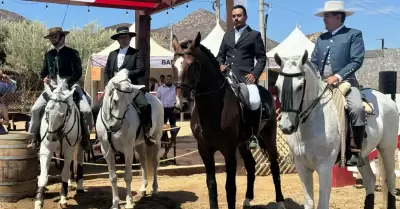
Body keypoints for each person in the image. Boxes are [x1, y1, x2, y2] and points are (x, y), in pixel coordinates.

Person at [312, 1, 365, 166]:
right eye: (324, 16)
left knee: (357, 107)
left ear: (338, 17)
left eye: (327, 16)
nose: (324, 19)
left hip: (345, 82)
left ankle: (355, 150)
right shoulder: (321, 38)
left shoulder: (353, 34)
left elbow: (356, 61)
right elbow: (314, 61)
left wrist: (337, 76)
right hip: (321, 83)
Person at [27, 27, 94, 150]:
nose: (52, 39)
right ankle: (32, 138)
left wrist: (67, 82)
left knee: (86, 110)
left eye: (55, 36)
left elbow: (78, 72)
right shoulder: (48, 54)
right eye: (51, 37)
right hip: (52, 87)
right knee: (35, 109)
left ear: (62, 37)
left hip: (71, 85)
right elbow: (43, 72)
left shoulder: (72, 53)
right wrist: (44, 78)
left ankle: (86, 137)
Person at [92, 26, 156, 145]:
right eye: (121, 37)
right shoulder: (112, 54)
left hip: (131, 87)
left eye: (125, 36)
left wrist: (125, 74)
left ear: (130, 38)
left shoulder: (137, 53)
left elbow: (141, 70)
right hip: (114, 88)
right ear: (118, 39)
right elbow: (106, 71)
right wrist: (107, 85)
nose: (123, 39)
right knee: (95, 109)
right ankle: (99, 136)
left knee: (145, 105)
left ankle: (147, 133)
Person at [216, 5, 266, 150]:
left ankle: (253, 135)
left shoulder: (254, 35)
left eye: (239, 15)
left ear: (245, 17)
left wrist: (255, 74)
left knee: (255, 100)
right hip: (227, 76)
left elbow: (261, 58)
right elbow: (220, 55)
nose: (236, 18)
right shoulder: (227, 36)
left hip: (246, 77)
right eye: (234, 16)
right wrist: (220, 64)